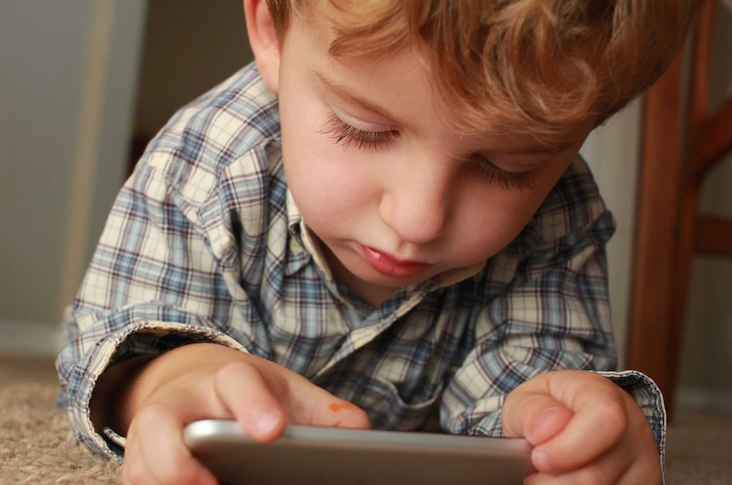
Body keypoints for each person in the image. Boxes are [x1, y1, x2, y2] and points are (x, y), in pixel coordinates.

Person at [57, 0, 704, 483]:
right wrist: (171, 375)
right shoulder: (206, 163)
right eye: (365, 130)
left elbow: (531, 369)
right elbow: (117, 338)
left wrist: (557, 422)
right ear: (271, 32)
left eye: (507, 167)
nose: (419, 218)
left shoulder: (559, 209)